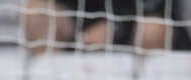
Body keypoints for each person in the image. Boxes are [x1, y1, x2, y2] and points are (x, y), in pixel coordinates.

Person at [25, 0, 173, 55]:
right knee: (37, 11)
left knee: (153, 29)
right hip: (80, 31)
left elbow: (159, 8)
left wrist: (115, 27)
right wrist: (85, 32)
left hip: (133, 31)